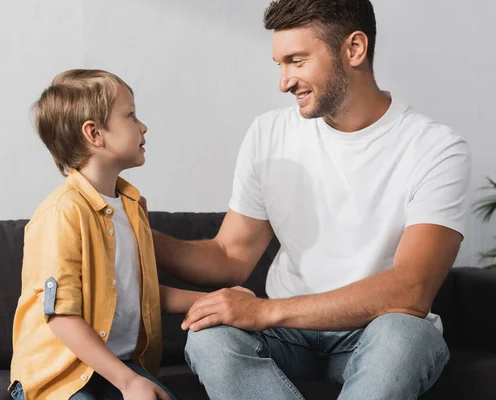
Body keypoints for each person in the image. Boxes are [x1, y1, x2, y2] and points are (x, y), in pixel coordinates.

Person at [150, 1, 471, 399]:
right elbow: (230, 255)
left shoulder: (436, 149)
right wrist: (138, 236)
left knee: (404, 335)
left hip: (376, 330)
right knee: (209, 338)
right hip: (287, 337)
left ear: (354, 49)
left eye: (297, 61)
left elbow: (410, 289)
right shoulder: (269, 134)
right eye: (279, 64)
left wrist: (266, 311)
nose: (284, 81)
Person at [8, 69, 245, 400]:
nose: (143, 126)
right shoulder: (62, 214)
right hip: (60, 376)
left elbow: (138, 293)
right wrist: (129, 381)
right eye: (131, 115)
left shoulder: (131, 208)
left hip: (113, 366)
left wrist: (217, 299)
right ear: (95, 134)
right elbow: (61, 317)